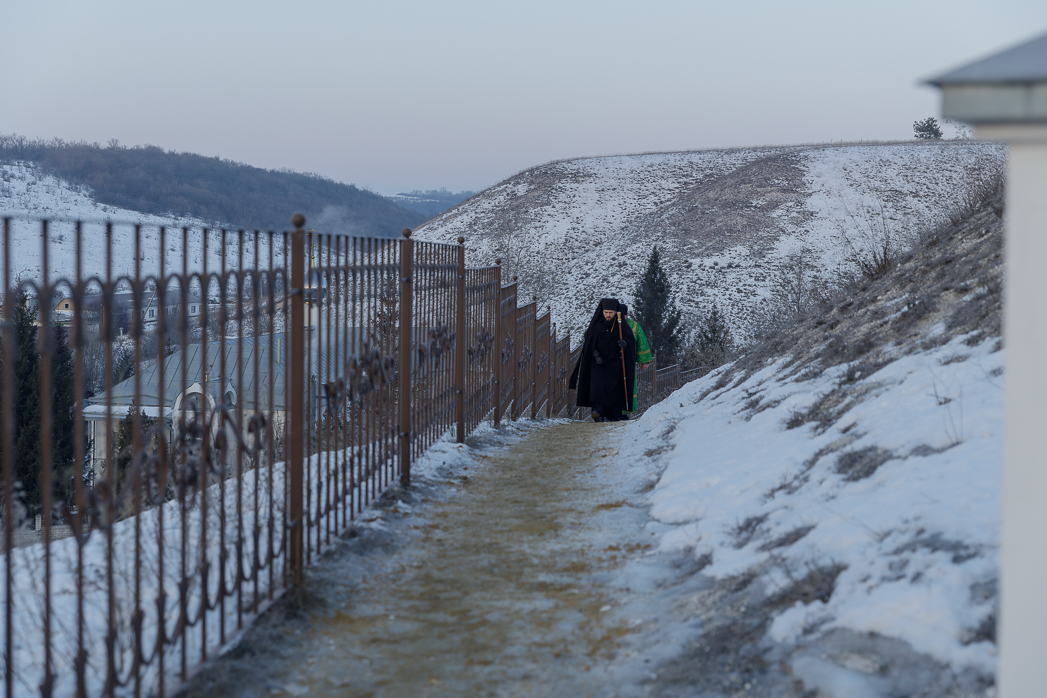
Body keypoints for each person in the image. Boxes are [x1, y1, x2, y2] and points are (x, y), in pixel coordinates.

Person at [569, 298, 636, 422]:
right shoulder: (596, 325)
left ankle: (613, 415)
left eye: (611, 313)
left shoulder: (621, 326)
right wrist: (596, 355)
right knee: (597, 388)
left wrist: (624, 344)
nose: (608, 315)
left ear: (616, 312)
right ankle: (597, 412)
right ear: (602, 312)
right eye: (606, 312)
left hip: (615, 364)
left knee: (614, 390)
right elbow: (589, 343)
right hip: (598, 363)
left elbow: (631, 343)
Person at [620, 304, 652, 415]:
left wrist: (644, 361)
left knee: (628, 386)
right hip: (612, 363)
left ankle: (625, 411)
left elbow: (641, 342)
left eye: (624, 316)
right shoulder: (611, 325)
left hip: (629, 362)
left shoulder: (634, 326)